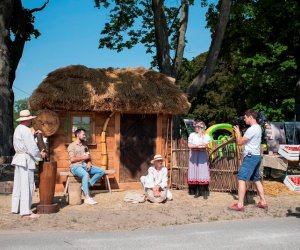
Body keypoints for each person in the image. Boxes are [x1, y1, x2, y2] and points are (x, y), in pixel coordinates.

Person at [228, 109, 268, 212]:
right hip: (256, 156)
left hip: (250, 157)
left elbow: (240, 142)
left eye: (245, 118)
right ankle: (263, 202)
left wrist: (237, 132)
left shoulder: (252, 129)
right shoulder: (259, 128)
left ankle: (240, 204)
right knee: (256, 179)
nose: (244, 119)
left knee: (241, 178)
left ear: (250, 117)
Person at [11, 110, 46, 219]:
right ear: (28, 120)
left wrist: (33, 135)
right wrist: (40, 154)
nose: (31, 121)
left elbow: (24, 142)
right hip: (25, 160)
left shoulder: (18, 128)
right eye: (30, 119)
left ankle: (16, 208)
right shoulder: (25, 130)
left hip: (19, 158)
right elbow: (31, 147)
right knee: (27, 185)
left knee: (19, 184)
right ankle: (26, 212)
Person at [67, 128, 105, 205]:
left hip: (84, 165)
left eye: (85, 134)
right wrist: (83, 158)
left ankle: (86, 186)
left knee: (101, 171)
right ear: (78, 135)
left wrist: (89, 163)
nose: (85, 136)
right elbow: (72, 159)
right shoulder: (71, 146)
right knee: (85, 174)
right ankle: (87, 197)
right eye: (83, 134)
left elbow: (88, 157)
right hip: (75, 166)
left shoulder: (85, 146)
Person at [187, 120, 211, 199]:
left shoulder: (206, 136)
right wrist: (195, 146)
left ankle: (204, 191)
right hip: (194, 155)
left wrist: (202, 139)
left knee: (202, 171)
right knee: (195, 171)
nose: (196, 128)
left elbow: (206, 145)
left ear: (202, 128)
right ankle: (196, 191)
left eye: (198, 127)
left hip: (202, 155)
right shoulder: (192, 135)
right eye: (196, 126)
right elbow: (189, 145)